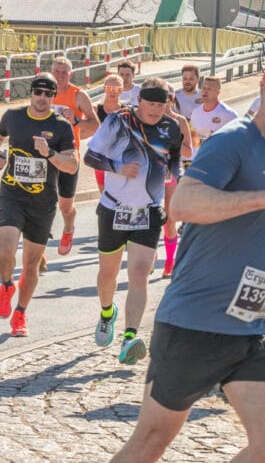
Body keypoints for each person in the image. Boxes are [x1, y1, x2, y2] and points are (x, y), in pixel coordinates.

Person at [111, 56, 265, 462]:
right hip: (196, 324)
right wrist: (262, 199)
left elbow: (264, 207)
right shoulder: (232, 141)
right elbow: (185, 204)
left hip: (254, 327)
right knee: (151, 440)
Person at [85, 78, 183, 364]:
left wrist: (180, 179)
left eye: (161, 105)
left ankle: (129, 338)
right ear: (140, 100)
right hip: (114, 208)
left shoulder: (170, 128)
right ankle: (107, 312)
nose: (155, 110)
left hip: (148, 212)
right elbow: (91, 156)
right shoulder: (118, 122)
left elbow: (175, 161)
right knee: (108, 276)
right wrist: (117, 166)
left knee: (139, 275)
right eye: (151, 104)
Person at [0, 73, 78, 337]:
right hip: (12, 194)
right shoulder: (13, 117)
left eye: (48, 94)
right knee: (5, 251)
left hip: (43, 201)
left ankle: (20, 314)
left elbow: (72, 165)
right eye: (38, 92)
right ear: (31, 93)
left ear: (53, 97)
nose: (42, 98)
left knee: (31, 263)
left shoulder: (60, 126)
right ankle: (6, 286)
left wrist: (49, 153)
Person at [50, 56, 100, 256]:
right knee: (41, 202)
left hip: (69, 156)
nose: (60, 76)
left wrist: (76, 122)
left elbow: (96, 125)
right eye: (57, 71)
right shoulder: (44, 93)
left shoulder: (78, 95)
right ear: (51, 72)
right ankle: (38, 242)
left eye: (64, 72)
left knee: (65, 205)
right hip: (44, 155)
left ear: (70, 74)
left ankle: (68, 228)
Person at [159, 88, 192, 277]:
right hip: (149, 173)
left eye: (166, 98)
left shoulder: (180, 121)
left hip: (170, 172)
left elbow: (188, 151)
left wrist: (172, 145)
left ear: (172, 100)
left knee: (169, 218)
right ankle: (151, 255)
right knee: (148, 216)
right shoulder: (147, 118)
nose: (163, 102)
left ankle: (170, 260)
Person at [93, 73, 126, 192]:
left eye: (117, 88)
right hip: (100, 158)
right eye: (109, 88)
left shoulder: (126, 111)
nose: (113, 91)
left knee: (121, 194)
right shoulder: (96, 109)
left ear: (122, 90)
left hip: (120, 158)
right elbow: (85, 131)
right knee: (103, 195)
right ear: (104, 89)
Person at [188, 75, 238, 148]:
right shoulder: (195, 113)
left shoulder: (229, 114)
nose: (205, 91)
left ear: (218, 92)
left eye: (209, 88)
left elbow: (239, 141)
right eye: (204, 88)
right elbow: (194, 140)